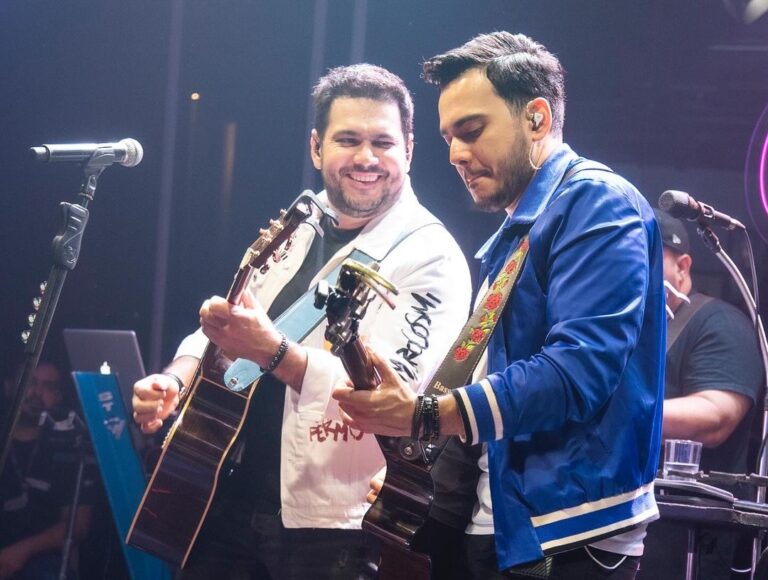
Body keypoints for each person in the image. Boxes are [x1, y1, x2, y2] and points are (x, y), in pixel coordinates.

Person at [334, 32, 666, 579]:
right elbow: (498, 378)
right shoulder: (520, 229)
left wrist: (424, 415)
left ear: (536, 118)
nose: (456, 154)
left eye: (471, 131)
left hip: (567, 527)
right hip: (501, 520)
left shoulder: (598, 202)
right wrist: (430, 463)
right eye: (447, 138)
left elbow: (577, 371)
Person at [131, 63, 472, 579]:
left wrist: (274, 354)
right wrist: (175, 377)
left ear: (409, 149)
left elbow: (396, 394)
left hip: (333, 525)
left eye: (382, 142)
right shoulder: (300, 219)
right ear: (317, 147)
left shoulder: (432, 255)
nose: (365, 157)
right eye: (348, 139)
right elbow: (229, 325)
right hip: (224, 492)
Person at [636, 210, 763, 580]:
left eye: (646, 257)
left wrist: (620, 417)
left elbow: (714, 417)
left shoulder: (719, 323)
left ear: (683, 265)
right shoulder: (634, 330)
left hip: (687, 537)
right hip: (630, 524)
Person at [0, 362, 95, 580]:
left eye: (48, 386)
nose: (37, 392)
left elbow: (79, 525)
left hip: (41, 561)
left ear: (59, 396)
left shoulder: (71, 446)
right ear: (9, 386)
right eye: (31, 382)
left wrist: (23, 551)